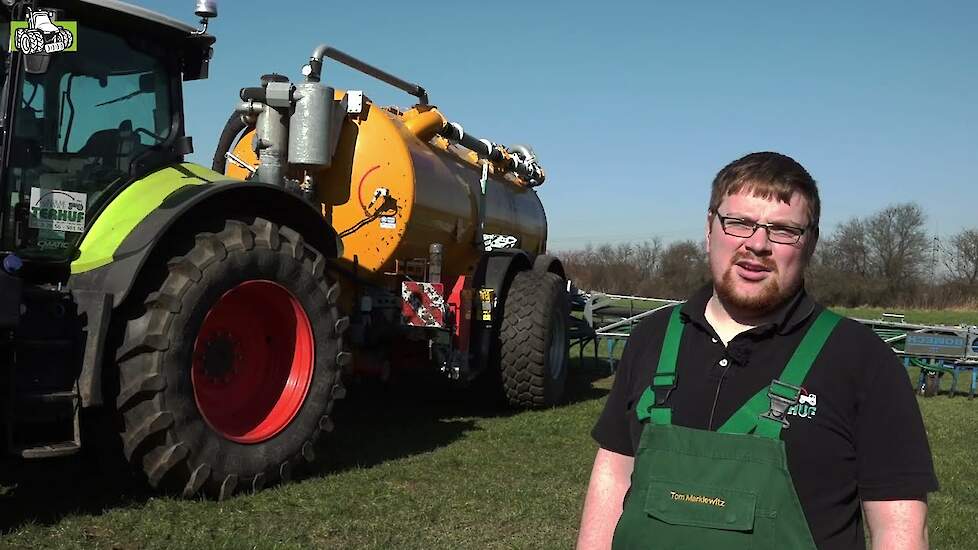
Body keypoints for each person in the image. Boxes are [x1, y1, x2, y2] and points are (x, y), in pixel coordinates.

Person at [577, 152, 937, 550]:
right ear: (709, 228)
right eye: (740, 223)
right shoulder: (652, 337)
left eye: (783, 230)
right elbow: (614, 469)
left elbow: (899, 528)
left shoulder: (862, 360)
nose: (757, 244)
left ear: (810, 244)